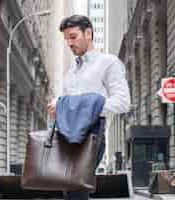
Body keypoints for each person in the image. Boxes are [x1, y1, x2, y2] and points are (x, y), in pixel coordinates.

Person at [47, 15, 130, 200]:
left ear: (89, 33)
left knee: (77, 190)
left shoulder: (109, 62)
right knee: (68, 190)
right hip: (67, 137)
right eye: (66, 38)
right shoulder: (70, 73)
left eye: (73, 36)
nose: (69, 43)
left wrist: (77, 107)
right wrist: (59, 108)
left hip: (92, 135)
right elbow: (70, 108)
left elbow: (123, 102)